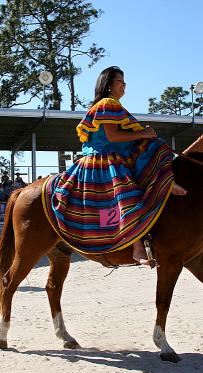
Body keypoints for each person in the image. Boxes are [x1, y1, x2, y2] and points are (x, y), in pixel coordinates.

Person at [43, 66, 187, 266]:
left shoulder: (111, 105)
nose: (124, 84)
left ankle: (166, 182)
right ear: (108, 85)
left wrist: (144, 137)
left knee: (153, 146)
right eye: (120, 80)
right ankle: (137, 247)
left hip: (111, 155)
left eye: (124, 81)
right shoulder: (108, 103)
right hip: (102, 160)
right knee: (127, 196)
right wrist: (143, 134)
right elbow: (113, 136)